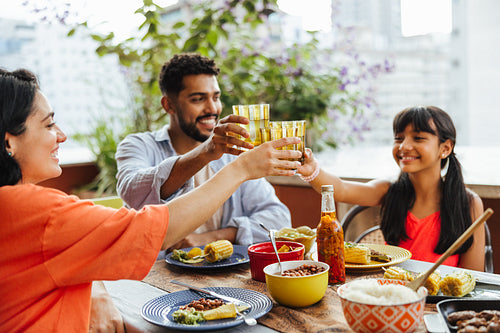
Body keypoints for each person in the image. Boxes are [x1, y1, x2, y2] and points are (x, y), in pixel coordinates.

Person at [0, 68, 301, 332]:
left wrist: (95, 288)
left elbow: (65, 251)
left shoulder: (18, 209)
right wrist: (242, 168)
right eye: (49, 124)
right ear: (8, 141)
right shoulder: (36, 210)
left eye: (216, 97)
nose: (62, 135)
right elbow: (152, 226)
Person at [116, 53, 292, 252]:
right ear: (169, 105)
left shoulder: (233, 151)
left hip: (223, 277)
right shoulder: (139, 145)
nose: (212, 108)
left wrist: (216, 237)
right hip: (153, 277)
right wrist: (205, 152)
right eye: (198, 99)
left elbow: (279, 219)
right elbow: (134, 194)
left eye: (216, 97)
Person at [297, 106, 485, 271]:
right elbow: (341, 189)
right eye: (398, 138)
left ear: (445, 148)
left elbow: (474, 275)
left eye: (418, 138)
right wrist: (312, 170)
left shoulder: (468, 203)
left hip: (441, 303)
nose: (404, 146)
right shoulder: (388, 191)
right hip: (394, 296)